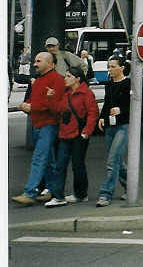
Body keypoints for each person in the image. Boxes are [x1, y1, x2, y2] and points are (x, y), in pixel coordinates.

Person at [11, 51, 66, 206]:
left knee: (39, 158)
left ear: (50, 63)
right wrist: (26, 104)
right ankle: (53, 191)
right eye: (35, 61)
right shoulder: (43, 80)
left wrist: (31, 106)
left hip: (47, 124)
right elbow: (36, 98)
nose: (35, 64)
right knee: (47, 160)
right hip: (40, 124)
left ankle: (30, 192)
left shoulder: (56, 80)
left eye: (38, 61)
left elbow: (55, 106)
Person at [44, 66, 99, 206]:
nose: (65, 79)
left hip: (79, 136)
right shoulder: (66, 93)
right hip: (65, 134)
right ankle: (58, 197)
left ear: (77, 79)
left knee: (77, 165)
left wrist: (86, 132)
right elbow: (58, 110)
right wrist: (51, 98)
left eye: (68, 76)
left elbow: (93, 114)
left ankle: (80, 194)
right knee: (60, 165)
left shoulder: (86, 93)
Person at [95, 56, 130, 207]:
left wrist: (121, 110)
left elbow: (135, 105)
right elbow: (107, 102)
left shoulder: (129, 83)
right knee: (118, 161)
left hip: (123, 125)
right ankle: (130, 186)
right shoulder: (109, 85)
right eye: (109, 66)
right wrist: (102, 117)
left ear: (122, 68)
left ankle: (105, 193)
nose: (110, 69)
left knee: (112, 161)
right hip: (110, 125)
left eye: (113, 66)